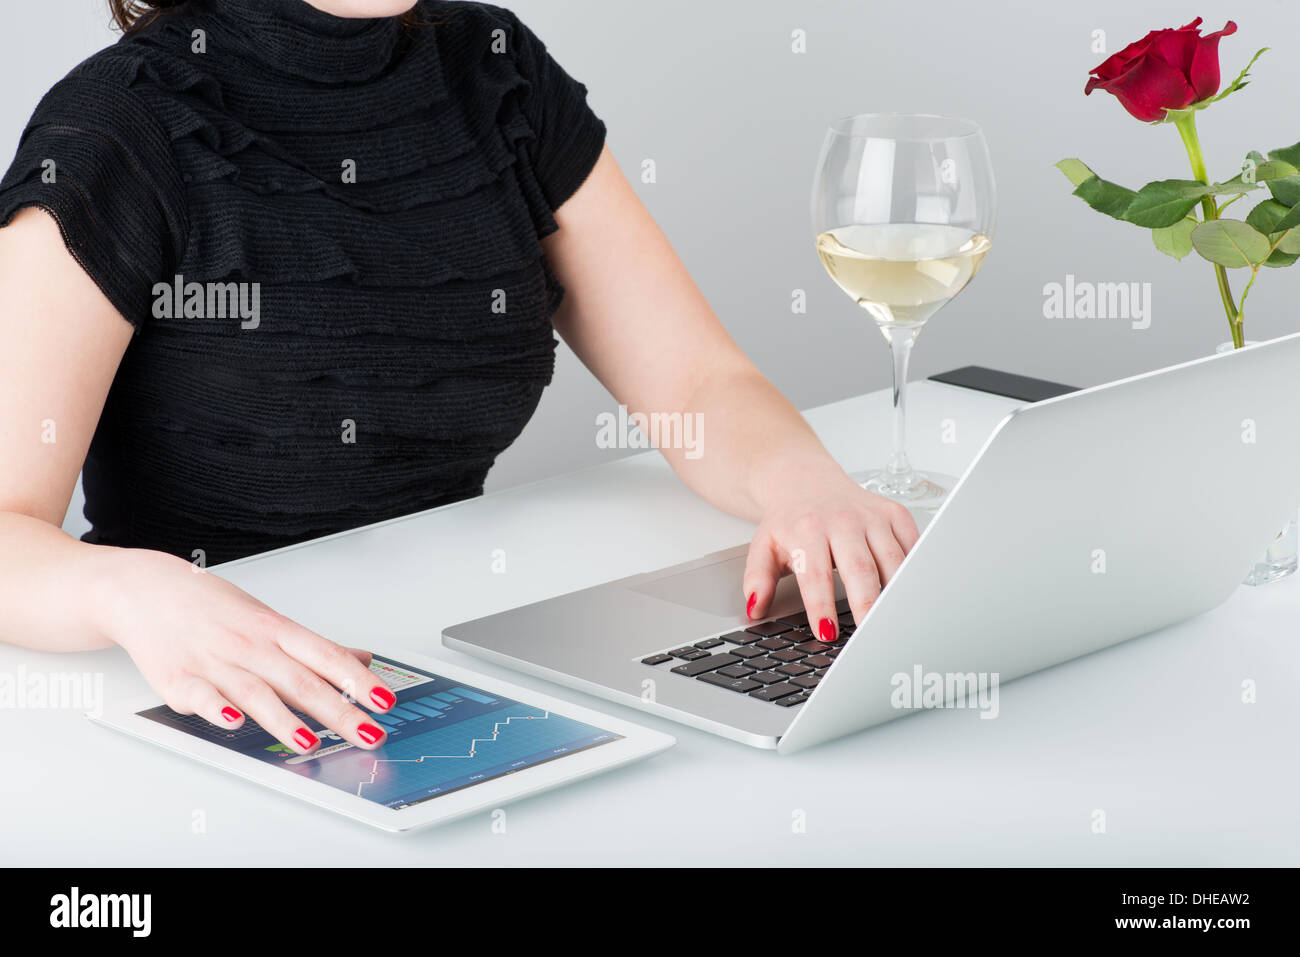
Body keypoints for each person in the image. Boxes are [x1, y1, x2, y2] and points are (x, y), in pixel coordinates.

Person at [0, 0, 918, 757]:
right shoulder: (120, 124)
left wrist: (809, 489)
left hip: (451, 653)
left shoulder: (494, 67)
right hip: (186, 694)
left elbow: (694, 383)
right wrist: (134, 592)